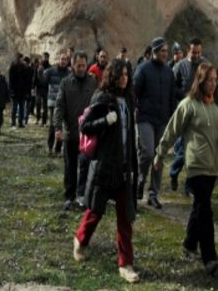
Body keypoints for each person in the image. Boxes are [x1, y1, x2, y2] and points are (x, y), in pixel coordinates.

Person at [154, 62, 218, 276]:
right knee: (205, 210)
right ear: (201, 80)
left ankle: (189, 243)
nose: (213, 84)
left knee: (199, 207)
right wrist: (160, 154)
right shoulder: (188, 104)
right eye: (209, 80)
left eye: (216, 80)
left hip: (213, 165)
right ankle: (210, 258)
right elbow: (172, 130)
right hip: (196, 165)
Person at [73, 58, 140, 284]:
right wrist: (105, 121)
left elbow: (130, 135)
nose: (124, 78)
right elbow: (85, 126)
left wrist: (133, 165)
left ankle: (126, 264)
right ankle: (81, 241)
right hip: (104, 165)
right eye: (120, 74)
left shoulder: (129, 99)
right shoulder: (102, 98)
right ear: (112, 76)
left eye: (127, 75)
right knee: (95, 211)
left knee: (125, 218)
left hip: (123, 168)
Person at [133, 37, 177, 209]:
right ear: (154, 52)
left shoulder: (169, 72)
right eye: (163, 51)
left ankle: (153, 194)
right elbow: (134, 92)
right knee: (148, 153)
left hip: (163, 120)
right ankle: (140, 179)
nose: (165, 54)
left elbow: (172, 96)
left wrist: (172, 116)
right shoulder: (142, 69)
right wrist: (136, 109)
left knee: (160, 156)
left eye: (167, 51)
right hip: (145, 118)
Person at [53, 51, 97, 211]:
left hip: (88, 134)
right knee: (70, 166)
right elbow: (59, 106)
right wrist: (57, 128)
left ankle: (83, 195)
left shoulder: (93, 82)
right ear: (73, 65)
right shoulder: (66, 83)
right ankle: (69, 196)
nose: (81, 68)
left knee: (86, 165)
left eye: (83, 65)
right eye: (78, 65)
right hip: (70, 132)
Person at [170, 38, 207, 194]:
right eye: (194, 52)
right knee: (183, 148)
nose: (197, 55)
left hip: (200, 112)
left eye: (199, 52)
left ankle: (189, 185)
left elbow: (212, 83)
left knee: (196, 150)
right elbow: (171, 87)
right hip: (183, 112)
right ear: (188, 51)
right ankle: (174, 172)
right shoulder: (179, 66)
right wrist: (184, 96)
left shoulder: (206, 65)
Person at [42, 52, 70, 156]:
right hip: (53, 102)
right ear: (58, 60)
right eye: (61, 59)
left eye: (65, 59)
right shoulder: (51, 71)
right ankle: (50, 147)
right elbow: (42, 81)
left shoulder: (69, 73)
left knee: (61, 127)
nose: (63, 61)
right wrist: (39, 73)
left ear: (67, 61)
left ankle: (58, 150)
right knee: (53, 125)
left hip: (64, 103)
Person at [8, 53, 29, 128]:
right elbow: (10, 80)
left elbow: (27, 80)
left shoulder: (24, 67)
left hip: (22, 91)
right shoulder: (12, 66)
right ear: (17, 58)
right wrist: (11, 91)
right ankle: (13, 122)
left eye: (21, 58)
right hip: (15, 91)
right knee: (14, 107)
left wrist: (26, 91)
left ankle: (20, 122)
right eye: (20, 58)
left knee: (22, 108)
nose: (21, 60)